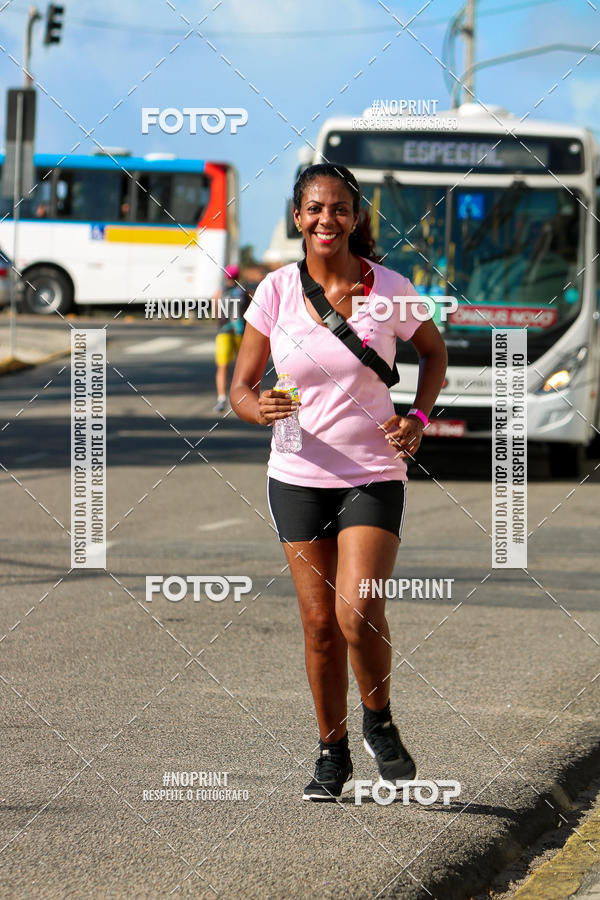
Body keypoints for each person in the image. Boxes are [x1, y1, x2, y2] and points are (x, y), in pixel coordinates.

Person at [230, 163, 447, 802]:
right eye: (315, 209)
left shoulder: (392, 288)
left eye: (339, 209)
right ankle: (332, 751)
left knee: (358, 609)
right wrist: (259, 408)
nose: (327, 219)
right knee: (320, 624)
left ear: (355, 218)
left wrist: (419, 418)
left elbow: (435, 353)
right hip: (296, 474)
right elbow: (241, 388)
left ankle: (378, 718)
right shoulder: (273, 290)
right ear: (298, 217)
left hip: (373, 472)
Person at [213, 264, 249, 413]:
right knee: (242, 368)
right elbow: (250, 312)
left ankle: (221, 398)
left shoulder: (219, 293)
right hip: (241, 333)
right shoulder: (244, 292)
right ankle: (243, 398)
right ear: (238, 276)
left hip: (224, 332)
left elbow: (215, 313)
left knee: (222, 367)